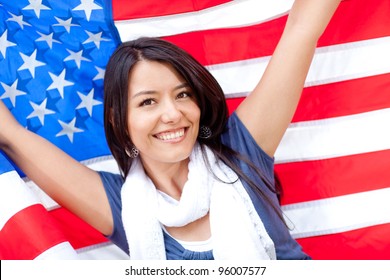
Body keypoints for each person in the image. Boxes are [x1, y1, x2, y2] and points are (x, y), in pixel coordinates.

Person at [0, 0, 341, 260]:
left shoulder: (242, 150)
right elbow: (12, 136)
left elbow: (302, 28)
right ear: (121, 120)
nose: (172, 114)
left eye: (182, 95)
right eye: (148, 102)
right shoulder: (121, 205)